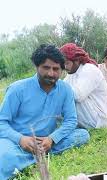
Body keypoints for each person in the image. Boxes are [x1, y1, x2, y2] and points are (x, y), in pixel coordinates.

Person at [0, 44, 90, 180]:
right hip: (17, 141)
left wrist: (52, 139)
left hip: (47, 141)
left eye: (56, 69)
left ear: (62, 70)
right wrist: (21, 139)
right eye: (46, 68)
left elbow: (71, 120)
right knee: (5, 157)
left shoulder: (65, 90)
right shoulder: (17, 89)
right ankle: (30, 156)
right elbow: (2, 122)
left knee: (83, 135)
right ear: (37, 67)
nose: (51, 73)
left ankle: (34, 156)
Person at [60, 43, 107, 129]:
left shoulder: (89, 69)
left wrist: (56, 84)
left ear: (76, 60)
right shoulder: (71, 73)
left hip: (99, 119)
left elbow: (77, 95)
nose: (65, 67)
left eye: (67, 63)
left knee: (72, 97)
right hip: (90, 115)